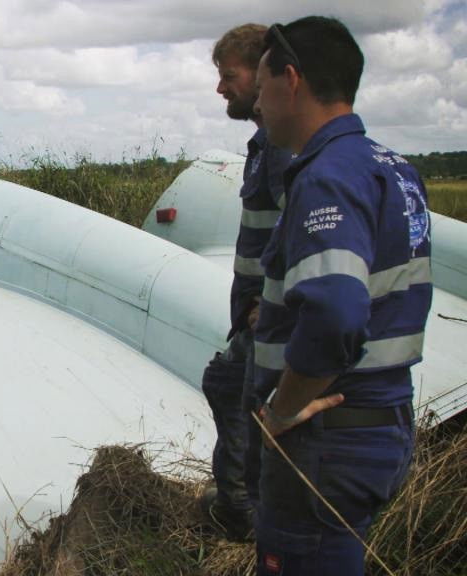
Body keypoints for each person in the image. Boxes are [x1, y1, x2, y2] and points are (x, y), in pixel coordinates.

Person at [252, 17, 430, 575]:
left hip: (325, 441)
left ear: (292, 80)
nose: (257, 104)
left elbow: (335, 309)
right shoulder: (393, 167)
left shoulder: (326, 175)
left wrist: (283, 409)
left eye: (261, 88)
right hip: (380, 424)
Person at [200, 23, 290, 541]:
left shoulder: (280, 149)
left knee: (250, 404)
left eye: (228, 75)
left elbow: (302, 228)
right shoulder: (264, 144)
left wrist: (269, 305)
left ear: (261, 74)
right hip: (255, 313)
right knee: (227, 384)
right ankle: (238, 501)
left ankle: (247, 513)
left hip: (267, 315)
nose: (221, 88)